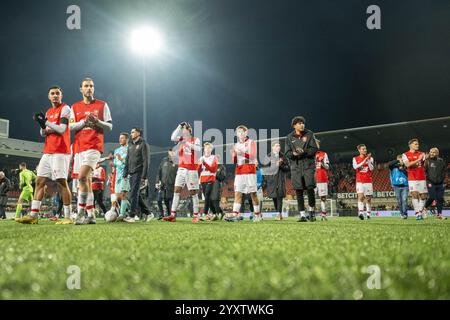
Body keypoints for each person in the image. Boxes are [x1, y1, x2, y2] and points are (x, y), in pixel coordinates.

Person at [17, 86, 72, 224]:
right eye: (52, 94)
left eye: (57, 94)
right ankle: (33, 216)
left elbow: (62, 129)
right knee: (39, 181)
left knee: (61, 183)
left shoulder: (65, 108)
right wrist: (42, 124)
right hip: (47, 152)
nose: (55, 96)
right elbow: (43, 133)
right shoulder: (49, 111)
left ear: (61, 95)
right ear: (49, 96)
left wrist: (46, 122)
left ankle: (68, 216)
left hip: (61, 151)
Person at [70, 77, 113, 225]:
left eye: (91, 86)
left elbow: (109, 126)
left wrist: (97, 122)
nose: (89, 88)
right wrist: (83, 123)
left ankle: (80, 213)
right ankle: (91, 215)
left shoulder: (102, 105)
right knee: (85, 181)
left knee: (82, 177)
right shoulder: (74, 107)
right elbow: (70, 127)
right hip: (79, 148)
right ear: (81, 89)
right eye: (86, 86)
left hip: (94, 146)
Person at [163, 122, 201, 223]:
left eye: (184, 129)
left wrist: (187, 143)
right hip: (181, 168)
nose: (182, 130)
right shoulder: (180, 139)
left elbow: (198, 149)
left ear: (189, 130)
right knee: (176, 190)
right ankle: (172, 214)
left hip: (191, 169)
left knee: (193, 192)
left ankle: (196, 215)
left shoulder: (195, 139)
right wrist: (179, 126)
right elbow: (172, 137)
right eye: (182, 129)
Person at [285, 116, 318, 222]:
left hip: (308, 165)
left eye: (303, 123)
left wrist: (304, 152)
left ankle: (312, 212)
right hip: (296, 167)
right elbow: (287, 153)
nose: (302, 125)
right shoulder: (289, 137)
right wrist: (294, 154)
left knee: (310, 188)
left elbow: (314, 149)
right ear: (294, 125)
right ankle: (302, 215)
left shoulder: (309, 134)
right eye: (299, 123)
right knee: (298, 190)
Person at [229, 125, 261, 223]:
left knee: (253, 194)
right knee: (238, 193)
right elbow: (234, 160)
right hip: (239, 171)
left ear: (246, 133)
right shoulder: (236, 144)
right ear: (236, 134)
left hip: (250, 170)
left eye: (243, 131)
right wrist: (233, 155)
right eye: (239, 132)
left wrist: (240, 152)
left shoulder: (251, 142)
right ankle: (235, 214)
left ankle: (257, 215)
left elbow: (252, 156)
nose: (241, 133)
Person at [123, 127, 149, 222]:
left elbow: (146, 160)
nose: (131, 134)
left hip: (139, 172)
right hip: (131, 172)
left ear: (138, 133)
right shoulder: (130, 145)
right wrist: (125, 173)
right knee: (135, 194)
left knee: (133, 194)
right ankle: (149, 213)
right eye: (131, 132)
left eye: (133, 132)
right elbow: (127, 160)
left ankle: (132, 215)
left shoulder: (143, 144)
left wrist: (144, 175)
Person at [260, 142, 290, 221]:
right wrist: (275, 166)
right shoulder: (268, 156)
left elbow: (288, 168)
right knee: (274, 197)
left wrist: (281, 165)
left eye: (279, 145)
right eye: (277, 145)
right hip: (272, 179)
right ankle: (278, 213)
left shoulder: (283, 156)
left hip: (280, 179)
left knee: (279, 196)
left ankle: (278, 214)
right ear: (273, 147)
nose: (279, 147)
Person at [402, 138, 428, 220]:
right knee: (415, 195)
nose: (417, 145)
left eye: (418, 144)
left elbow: (425, 166)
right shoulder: (405, 154)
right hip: (412, 178)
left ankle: (420, 211)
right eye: (415, 144)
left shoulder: (422, 153)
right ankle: (417, 214)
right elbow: (407, 165)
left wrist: (426, 159)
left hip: (421, 177)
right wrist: (418, 159)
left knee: (423, 196)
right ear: (410, 145)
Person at [111, 133, 131, 221]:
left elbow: (129, 163)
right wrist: (113, 164)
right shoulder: (116, 150)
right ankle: (133, 209)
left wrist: (121, 159)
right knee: (118, 197)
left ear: (127, 139)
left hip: (126, 174)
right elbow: (116, 163)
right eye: (120, 138)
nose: (120, 140)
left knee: (123, 195)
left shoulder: (130, 149)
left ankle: (122, 215)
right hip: (118, 176)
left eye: (122, 138)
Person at [352, 144, 374, 220]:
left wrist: (368, 160)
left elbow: (371, 169)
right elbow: (355, 167)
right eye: (363, 149)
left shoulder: (370, 158)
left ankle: (368, 214)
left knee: (368, 198)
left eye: (365, 149)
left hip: (368, 180)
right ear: (359, 150)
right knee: (360, 197)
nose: (365, 150)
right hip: (359, 181)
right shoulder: (355, 158)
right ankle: (361, 213)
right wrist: (364, 160)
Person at [424, 147, 447, 220]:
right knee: (432, 197)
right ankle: (424, 208)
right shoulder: (427, 161)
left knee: (440, 199)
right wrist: (428, 179)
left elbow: (444, 171)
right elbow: (424, 171)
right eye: (430, 152)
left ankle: (439, 214)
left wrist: (443, 180)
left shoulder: (441, 161)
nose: (431, 153)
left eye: (433, 152)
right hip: (430, 182)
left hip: (440, 183)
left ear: (437, 153)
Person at [155, 148, 178, 219]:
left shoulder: (177, 161)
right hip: (162, 184)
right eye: (171, 151)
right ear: (168, 152)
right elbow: (159, 172)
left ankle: (171, 214)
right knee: (159, 200)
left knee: (169, 200)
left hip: (172, 184)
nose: (172, 152)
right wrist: (157, 181)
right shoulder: (164, 160)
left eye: (173, 151)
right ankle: (161, 214)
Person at [199, 142, 219, 220]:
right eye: (205, 148)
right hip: (202, 179)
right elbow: (198, 170)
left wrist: (205, 163)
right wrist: (199, 165)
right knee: (208, 198)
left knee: (207, 195)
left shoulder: (214, 157)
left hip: (210, 179)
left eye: (208, 148)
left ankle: (205, 214)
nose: (207, 150)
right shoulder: (201, 158)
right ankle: (215, 214)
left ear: (211, 149)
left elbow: (213, 170)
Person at [388, 155, 409, 219]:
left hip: (405, 185)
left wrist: (402, 168)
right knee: (399, 201)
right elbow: (389, 164)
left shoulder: (406, 166)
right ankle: (401, 214)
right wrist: (398, 161)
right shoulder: (393, 167)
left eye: (402, 159)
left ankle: (405, 214)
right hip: (396, 186)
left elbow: (408, 174)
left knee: (404, 200)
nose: (401, 161)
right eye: (399, 159)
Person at [315, 140, 330, 221]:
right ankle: (311, 214)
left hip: (322, 178)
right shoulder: (308, 155)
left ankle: (323, 215)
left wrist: (322, 163)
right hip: (311, 179)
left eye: (317, 144)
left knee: (323, 197)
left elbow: (327, 167)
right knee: (311, 197)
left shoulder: (324, 154)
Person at [210, 155, 226, 220]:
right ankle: (217, 213)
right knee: (209, 200)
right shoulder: (211, 166)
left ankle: (218, 213)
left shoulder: (221, 167)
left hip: (217, 183)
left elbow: (223, 177)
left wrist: (215, 175)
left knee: (215, 199)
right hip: (210, 183)